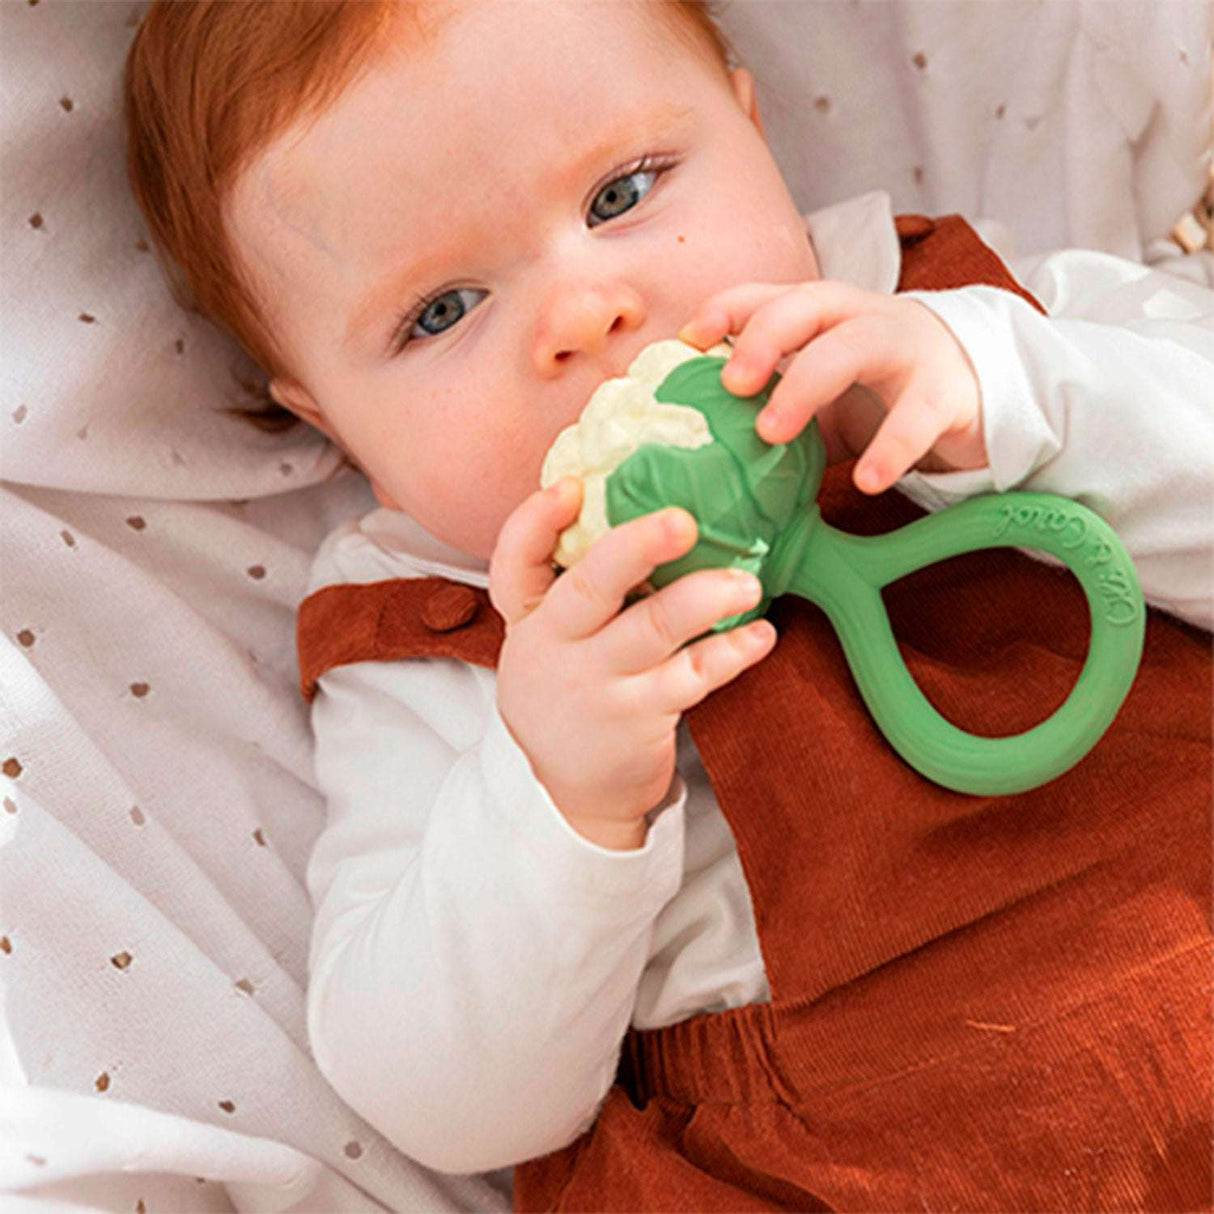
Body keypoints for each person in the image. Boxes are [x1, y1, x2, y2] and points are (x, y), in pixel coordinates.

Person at [123, 0, 1213, 1206]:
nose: (583, 315)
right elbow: (446, 1105)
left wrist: (1015, 398)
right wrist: (558, 793)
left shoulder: (967, 306)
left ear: (755, 134)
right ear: (333, 417)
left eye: (621, 193)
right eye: (440, 310)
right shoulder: (430, 627)